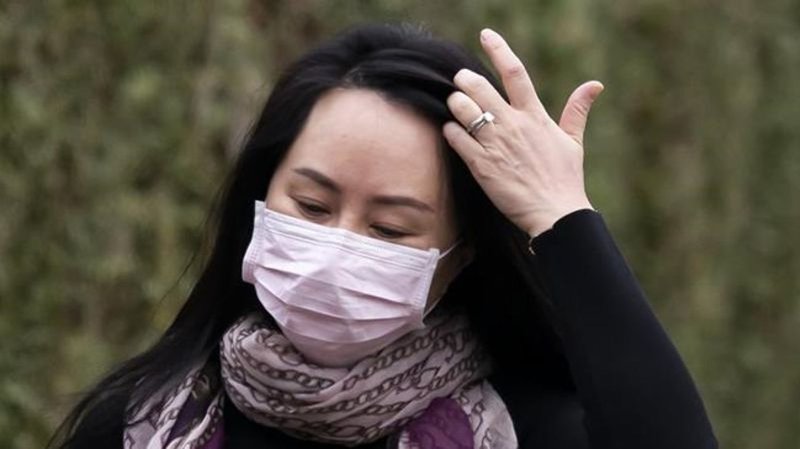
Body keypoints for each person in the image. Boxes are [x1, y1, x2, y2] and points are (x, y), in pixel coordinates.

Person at [51, 23, 718, 449]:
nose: (337, 249)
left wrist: (561, 214)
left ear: (458, 257)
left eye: (390, 227)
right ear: (259, 199)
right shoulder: (142, 423)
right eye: (312, 205)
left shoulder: (527, 428)